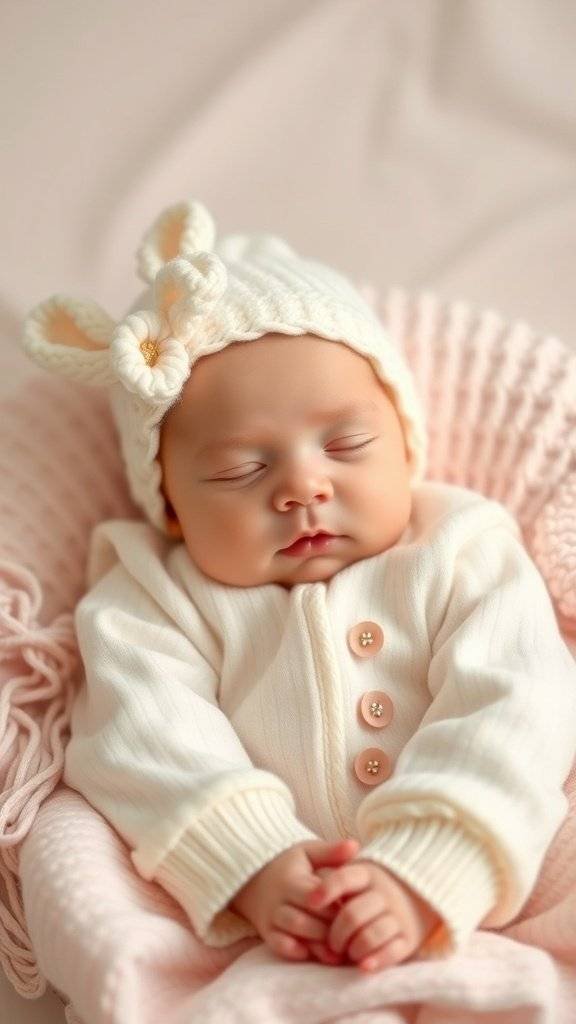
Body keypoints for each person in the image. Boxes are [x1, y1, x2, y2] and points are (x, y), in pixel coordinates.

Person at [20, 199, 576, 975]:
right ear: (172, 505)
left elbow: (519, 697)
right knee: (73, 862)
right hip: (252, 918)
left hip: (497, 862)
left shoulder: (461, 546)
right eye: (242, 470)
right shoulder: (150, 595)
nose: (302, 487)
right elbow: (141, 735)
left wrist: (432, 861)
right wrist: (253, 864)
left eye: (346, 445)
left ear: (405, 446)